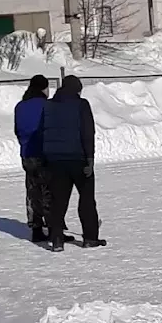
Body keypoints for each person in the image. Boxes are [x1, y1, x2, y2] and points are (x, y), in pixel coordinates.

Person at [42, 75, 105, 250]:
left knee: (58, 201)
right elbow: (87, 133)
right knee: (86, 199)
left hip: (55, 160)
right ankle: (90, 238)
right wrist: (90, 159)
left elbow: (44, 131)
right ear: (77, 89)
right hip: (78, 158)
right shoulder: (81, 105)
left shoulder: (48, 105)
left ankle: (56, 240)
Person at [14, 74, 50, 242]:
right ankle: (53, 228)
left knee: (32, 189)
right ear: (44, 88)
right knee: (49, 191)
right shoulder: (47, 105)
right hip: (44, 153)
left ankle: (36, 227)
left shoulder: (20, 106)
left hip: (27, 153)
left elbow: (17, 130)